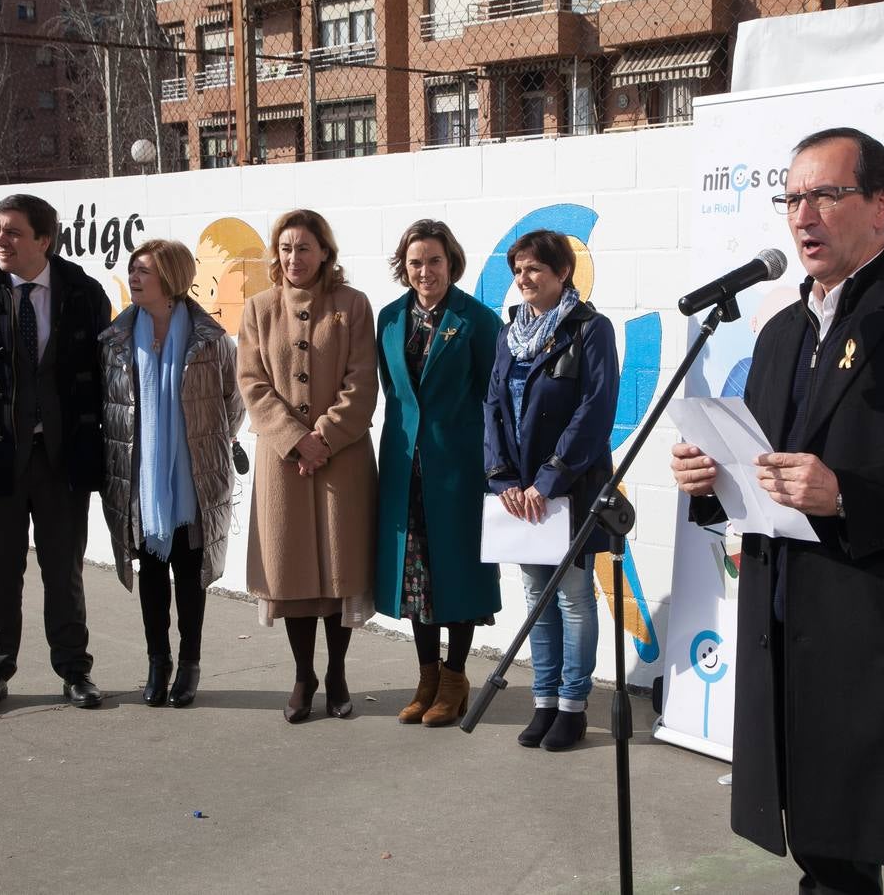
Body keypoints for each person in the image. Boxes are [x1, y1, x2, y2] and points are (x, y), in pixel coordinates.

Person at [671, 128, 884, 894]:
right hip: (796, 652)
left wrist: (850, 495)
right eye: (793, 197)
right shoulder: (778, 336)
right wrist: (711, 483)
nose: (804, 216)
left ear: (881, 205)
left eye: (827, 195)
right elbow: (766, 476)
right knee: (829, 868)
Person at [0, 194, 111, 714]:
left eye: (12, 232)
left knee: (64, 570)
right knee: (0, 573)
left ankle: (75, 671)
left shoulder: (82, 291)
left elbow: (101, 368)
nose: (0, 241)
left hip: (62, 459)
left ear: (44, 240)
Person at [237, 209, 377, 723]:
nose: (294, 258)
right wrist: (296, 441)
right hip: (284, 463)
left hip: (342, 460)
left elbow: (363, 381)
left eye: (304, 248)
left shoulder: (352, 306)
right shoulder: (257, 308)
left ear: (325, 253)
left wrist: (325, 438)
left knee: (339, 570)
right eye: (286, 248)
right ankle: (303, 675)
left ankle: (338, 673)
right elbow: (252, 383)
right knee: (291, 570)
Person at [483, 229, 619, 751]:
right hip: (521, 494)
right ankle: (543, 701)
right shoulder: (508, 333)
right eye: (518, 270)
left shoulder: (590, 329)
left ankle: (573, 706)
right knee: (536, 595)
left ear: (563, 273)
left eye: (535, 268)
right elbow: (493, 406)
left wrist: (548, 480)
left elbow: (595, 410)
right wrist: (504, 480)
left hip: (570, 489)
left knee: (575, 598)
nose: (524, 278)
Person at [99, 239, 245, 708]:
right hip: (139, 478)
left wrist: (195, 445)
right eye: (132, 269)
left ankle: (190, 664)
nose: (134, 277)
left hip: (195, 478)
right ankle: (157, 662)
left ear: (172, 278)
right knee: (152, 574)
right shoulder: (116, 340)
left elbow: (232, 405)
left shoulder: (212, 340)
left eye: (144, 271)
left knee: (189, 574)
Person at [375, 220, 503, 727]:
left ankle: (454, 679)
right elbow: (393, 390)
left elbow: (495, 397)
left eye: (434, 261)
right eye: (415, 262)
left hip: (459, 468)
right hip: (406, 467)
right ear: (403, 268)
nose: (424, 271)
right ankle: (426, 678)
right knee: (416, 577)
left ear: (451, 263)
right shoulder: (388, 319)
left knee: (458, 574)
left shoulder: (475, 320)